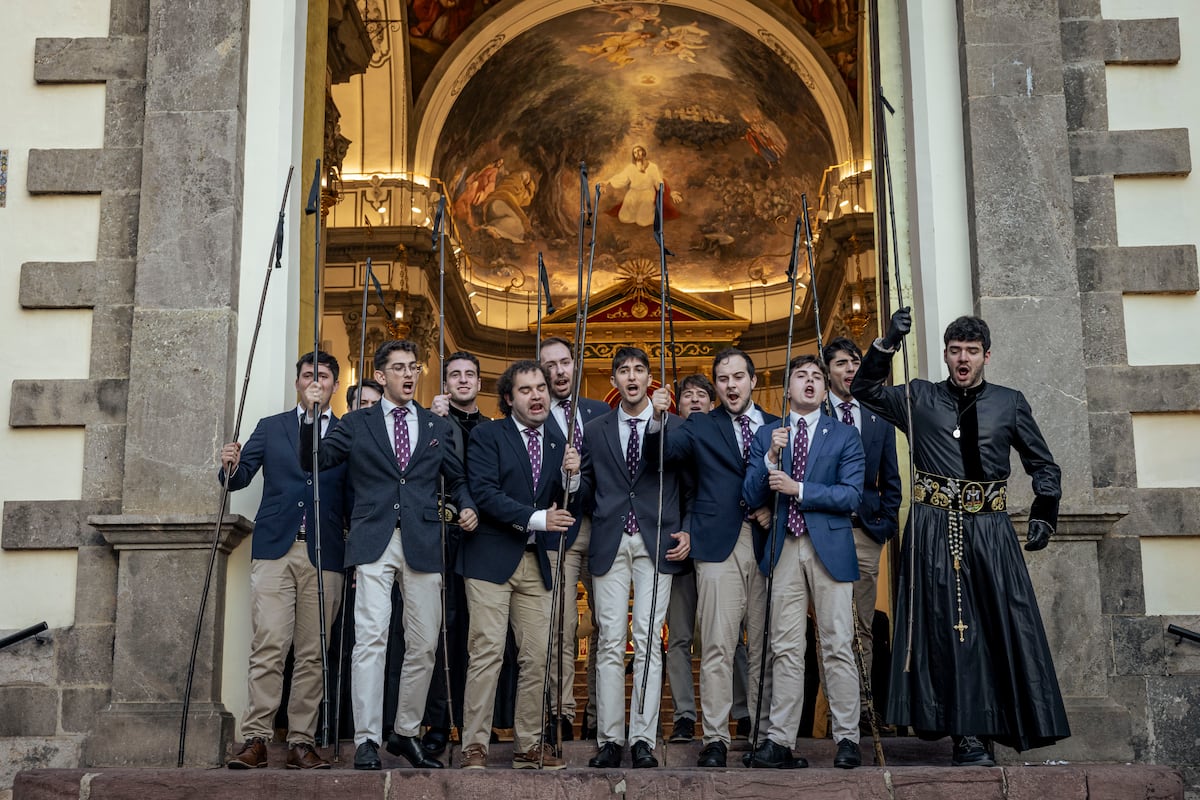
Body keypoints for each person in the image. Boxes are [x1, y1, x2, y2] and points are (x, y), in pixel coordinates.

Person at [851, 310, 1069, 766]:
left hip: (990, 531)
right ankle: (965, 734)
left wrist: (1044, 514)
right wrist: (887, 341)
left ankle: (995, 725)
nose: (963, 358)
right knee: (950, 630)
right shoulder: (918, 398)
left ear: (986, 355)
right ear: (946, 356)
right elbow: (863, 390)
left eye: (971, 351)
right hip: (934, 529)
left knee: (997, 626)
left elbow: (1043, 466)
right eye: (955, 351)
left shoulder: (1009, 402)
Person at [301, 340, 477, 771]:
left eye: (413, 367)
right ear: (380, 376)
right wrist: (312, 412)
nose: (409, 375)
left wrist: (467, 504)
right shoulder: (358, 423)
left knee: (423, 644)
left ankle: (405, 732)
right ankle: (366, 738)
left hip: (423, 541)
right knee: (372, 638)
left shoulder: (436, 427)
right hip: (372, 538)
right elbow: (315, 459)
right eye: (398, 368)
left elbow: (457, 478)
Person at [221, 351, 348, 770]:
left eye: (324, 376)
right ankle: (256, 737)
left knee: (314, 652)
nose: (316, 382)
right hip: (276, 547)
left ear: (333, 385)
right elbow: (240, 478)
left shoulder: (346, 433)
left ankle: (300, 741)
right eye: (309, 375)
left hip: (325, 550)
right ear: (298, 383)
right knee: (269, 644)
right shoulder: (272, 427)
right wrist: (230, 466)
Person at [456, 360, 583, 770]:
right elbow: (486, 494)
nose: (537, 395)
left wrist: (573, 478)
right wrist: (539, 518)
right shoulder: (488, 435)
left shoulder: (557, 441)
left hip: (535, 561)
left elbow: (565, 501)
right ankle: (474, 744)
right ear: (509, 399)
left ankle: (529, 745)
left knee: (537, 656)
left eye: (541, 388)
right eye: (526, 389)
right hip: (490, 560)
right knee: (487, 652)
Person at [742, 354, 866, 769]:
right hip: (784, 547)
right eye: (801, 377)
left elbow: (851, 496)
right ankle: (780, 740)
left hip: (827, 546)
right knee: (785, 648)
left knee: (836, 644)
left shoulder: (844, 435)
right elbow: (751, 495)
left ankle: (847, 737)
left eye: (816, 377)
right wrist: (769, 462)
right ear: (786, 388)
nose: (810, 382)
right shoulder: (768, 434)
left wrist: (799, 488)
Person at [661, 348, 779, 767]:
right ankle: (715, 738)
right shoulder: (699, 425)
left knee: (766, 645)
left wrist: (772, 507)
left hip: (767, 544)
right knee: (716, 645)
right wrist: (659, 418)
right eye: (723, 379)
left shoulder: (776, 426)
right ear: (716, 386)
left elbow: (796, 481)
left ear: (753, 381)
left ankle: (766, 734)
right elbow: (665, 453)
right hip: (715, 546)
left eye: (738, 377)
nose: (731, 385)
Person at [582, 348, 690, 769]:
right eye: (623, 371)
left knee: (647, 638)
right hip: (610, 537)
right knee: (609, 640)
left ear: (649, 379)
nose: (631, 377)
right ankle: (610, 739)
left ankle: (643, 738)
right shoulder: (595, 429)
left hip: (655, 538)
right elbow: (587, 489)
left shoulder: (675, 425)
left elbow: (682, 475)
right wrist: (572, 478)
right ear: (613, 379)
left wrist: (660, 423)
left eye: (639, 370)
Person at [664, 374, 752, 744]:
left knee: (729, 636)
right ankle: (685, 714)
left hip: (718, 544)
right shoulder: (672, 438)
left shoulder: (718, 438)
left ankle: (744, 710)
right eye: (688, 396)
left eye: (703, 395)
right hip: (676, 551)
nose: (696, 400)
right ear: (677, 404)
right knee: (680, 637)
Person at [822, 336, 902, 732]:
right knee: (833, 629)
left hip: (866, 534)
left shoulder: (878, 415)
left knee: (864, 628)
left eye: (855, 361)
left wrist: (884, 527)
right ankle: (838, 716)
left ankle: (866, 711)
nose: (850, 369)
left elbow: (891, 479)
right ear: (827, 372)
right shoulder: (815, 415)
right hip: (824, 534)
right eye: (840, 363)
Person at [417, 351, 490, 757]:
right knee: (441, 629)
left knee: (477, 634)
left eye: (470, 374)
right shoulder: (430, 423)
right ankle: (438, 722)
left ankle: (476, 721)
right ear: (445, 383)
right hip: (438, 533)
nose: (463, 380)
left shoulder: (495, 429)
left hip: (481, 537)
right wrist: (433, 420)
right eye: (455, 375)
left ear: (480, 383)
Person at [538, 336, 610, 744]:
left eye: (565, 362)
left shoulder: (600, 412)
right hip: (558, 530)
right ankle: (560, 712)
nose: (559, 371)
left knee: (607, 626)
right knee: (561, 627)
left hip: (601, 529)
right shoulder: (533, 414)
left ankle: (598, 715)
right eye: (550, 365)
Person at [604, 145, 682, 227]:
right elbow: (620, 178)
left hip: (647, 194)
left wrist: (670, 193)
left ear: (644, 152)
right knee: (625, 218)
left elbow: (659, 183)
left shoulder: (652, 167)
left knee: (643, 221)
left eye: (639, 151)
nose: (637, 153)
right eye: (634, 152)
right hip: (633, 194)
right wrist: (607, 182)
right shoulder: (630, 168)